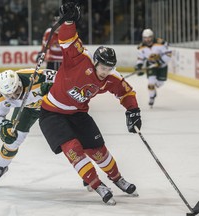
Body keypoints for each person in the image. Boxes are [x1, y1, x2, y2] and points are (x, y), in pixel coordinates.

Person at [39, 2, 142, 205]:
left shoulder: (110, 77)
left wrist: (133, 110)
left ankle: (117, 178)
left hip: (78, 114)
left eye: (109, 68)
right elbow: (68, 40)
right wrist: (69, 21)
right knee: (74, 149)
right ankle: (97, 184)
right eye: (102, 67)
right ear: (95, 62)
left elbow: (125, 91)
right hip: (51, 113)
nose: (105, 71)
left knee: (98, 150)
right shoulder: (79, 59)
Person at [0, 68, 57, 186]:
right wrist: (2, 126)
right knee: (13, 137)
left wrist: (55, 90)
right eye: (9, 95)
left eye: (17, 91)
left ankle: (86, 171)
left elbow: (67, 81)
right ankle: (1, 166)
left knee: (69, 136)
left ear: (19, 83)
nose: (14, 96)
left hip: (52, 104)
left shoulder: (39, 78)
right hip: (28, 109)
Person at [135, 28, 172, 107]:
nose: (147, 39)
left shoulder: (161, 43)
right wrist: (139, 66)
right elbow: (140, 58)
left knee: (159, 83)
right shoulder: (141, 47)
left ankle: (155, 89)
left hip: (162, 66)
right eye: (145, 38)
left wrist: (160, 61)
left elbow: (168, 54)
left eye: (149, 37)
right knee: (151, 82)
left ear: (152, 37)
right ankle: (151, 97)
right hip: (151, 66)